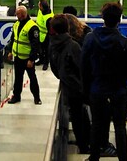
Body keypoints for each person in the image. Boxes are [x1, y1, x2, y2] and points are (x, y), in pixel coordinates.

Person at [82, 2, 127, 161]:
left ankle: (94, 158)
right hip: (117, 90)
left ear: (103, 17)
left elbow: (84, 67)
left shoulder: (90, 39)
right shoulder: (124, 43)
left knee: (97, 126)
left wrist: (86, 90)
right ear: (119, 19)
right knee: (120, 127)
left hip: (97, 90)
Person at [50, 14, 91, 155]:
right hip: (77, 87)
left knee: (78, 116)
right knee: (79, 117)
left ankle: (84, 142)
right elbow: (82, 67)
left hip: (68, 86)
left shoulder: (53, 45)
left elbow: (54, 67)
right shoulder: (72, 45)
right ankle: (84, 146)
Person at [7, 5, 41, 105]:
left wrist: (31, 59)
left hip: (27, 59)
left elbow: (35, 45)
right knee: (18, 79)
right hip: (17, 57)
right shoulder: (16, 24)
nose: (16, 15)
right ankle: (16, 96)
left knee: (32, 78)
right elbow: (13, 39)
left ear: (22, 14)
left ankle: (37, 98)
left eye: (17, 14)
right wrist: (10, 51)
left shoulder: (32, 27)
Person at [36, 0, 54, 71]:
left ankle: (46, 63)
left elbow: (50, 29)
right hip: (39, 33)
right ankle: (41, 60)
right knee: (39, 49)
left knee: (46, 50)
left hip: (46, 35)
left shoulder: (49, 17)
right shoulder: (40, 11)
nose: (38, 5)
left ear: (42, 7)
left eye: (39, 4)